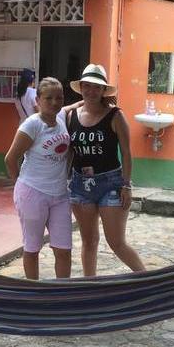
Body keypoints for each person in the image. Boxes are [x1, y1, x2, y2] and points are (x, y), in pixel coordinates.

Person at [67, 63, 145, 276]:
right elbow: (69, 153)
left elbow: (126, 153)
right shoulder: (71, 116)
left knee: (116, 242)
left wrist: (126, 185)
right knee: (89, 241)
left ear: (103, 90)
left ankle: (148, 280)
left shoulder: (115, 116)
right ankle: (89, 288)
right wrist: (65, 181)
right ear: (81, 87)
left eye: (97, 87)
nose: (91, 91)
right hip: (80, 185)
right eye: (87, 86)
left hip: (111, 184)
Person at [4, 77, 72, 280]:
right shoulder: (32, 125)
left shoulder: (61, 118)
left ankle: (62, 292)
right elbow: (10, 159)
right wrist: (21, 185)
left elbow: (73, 106)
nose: (54, 102)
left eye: (59, 97)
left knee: (64, 249)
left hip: (60, 196)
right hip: (33, 193)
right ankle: (34, 291)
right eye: (48, 98)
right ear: (38, 100)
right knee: (32, 248)